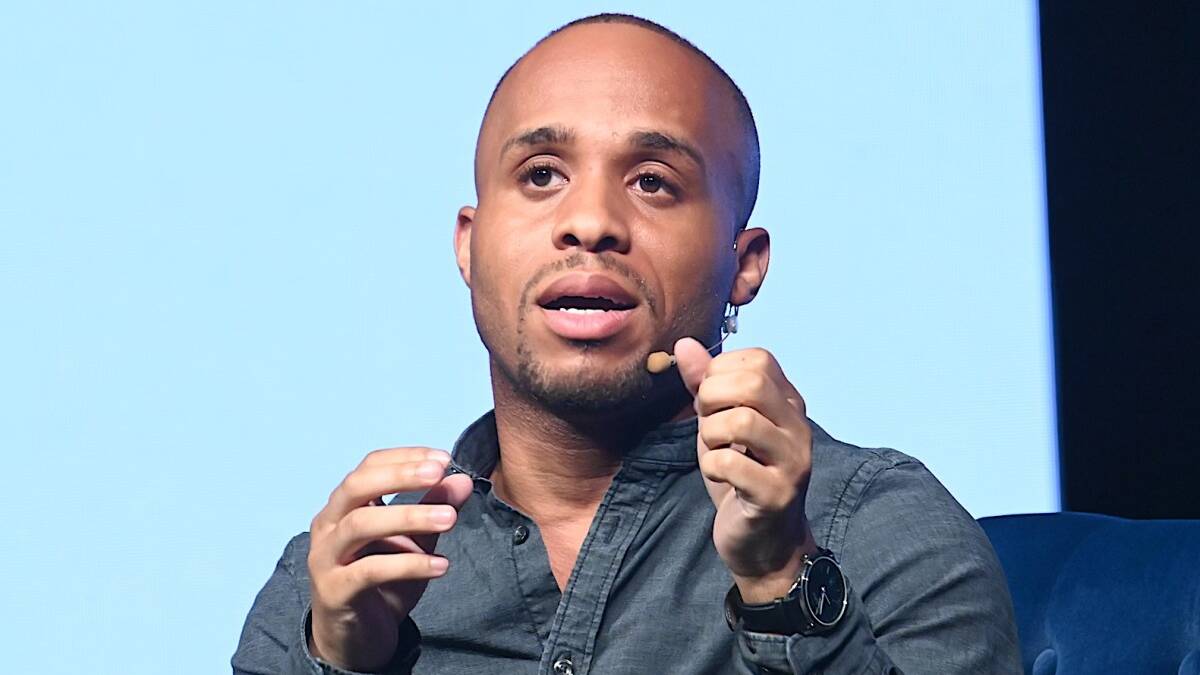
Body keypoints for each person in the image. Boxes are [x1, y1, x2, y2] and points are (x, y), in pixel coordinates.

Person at [233, 13, 1021, 675]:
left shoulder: (881, 533)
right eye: (541, 175)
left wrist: (783, 579)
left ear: (744, 265)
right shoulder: (332, 591)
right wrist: (344, 663)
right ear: (469, 247)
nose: (590, 222)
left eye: (652, 182)